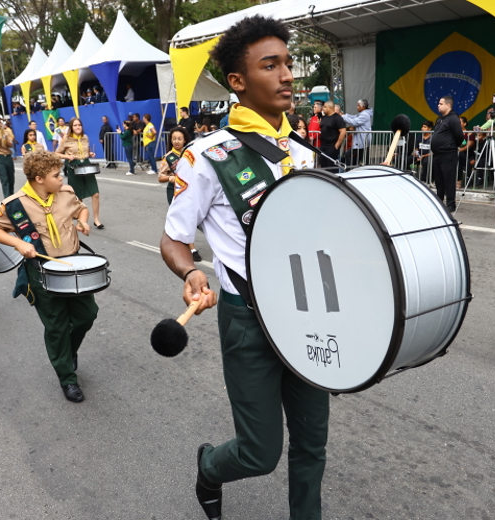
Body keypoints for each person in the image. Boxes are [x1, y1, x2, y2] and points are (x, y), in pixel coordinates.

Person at [160, 15, 328, 520]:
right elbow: (173, 239)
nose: (287, 76)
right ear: (237, 81)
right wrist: (192, 273)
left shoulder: (304, 153)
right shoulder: (207, 156)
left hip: (308, 312)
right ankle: (210, 466)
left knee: (312, 444)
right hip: (248, 317)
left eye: (288, 63)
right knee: (260, 452)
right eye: (270, 65)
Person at [0, 150, 96, 403]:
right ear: (39, 178)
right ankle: (67, 378)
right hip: (42, 272)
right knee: (56, 326)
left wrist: (83, 222)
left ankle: (69, 352)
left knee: (87, 315)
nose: (62, 179)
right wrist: (17, 243)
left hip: (73, 266)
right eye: (57, 175)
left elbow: (81, 209)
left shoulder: (65, 194)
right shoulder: (15, 204)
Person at [157, 127, 202, 262]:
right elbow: (160, 177)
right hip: (175, 191)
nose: (176, 141)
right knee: (183, 217)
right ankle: (191, 249)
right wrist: (170, 178)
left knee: (189, 217)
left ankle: (178, 243)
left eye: (179, 139)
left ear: (184, 140)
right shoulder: (168, 157)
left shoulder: (189, 153)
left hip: (190, 189)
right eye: (174, 139)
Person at [55, 118, 103, 229]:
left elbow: (87, 150)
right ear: (71, 127)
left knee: (95, 193)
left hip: (86, 165)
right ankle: (81, 221)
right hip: (74, 166)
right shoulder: (66, 139)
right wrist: (67, 156)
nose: (78, 127)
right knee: (78, 197)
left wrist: (90, 153)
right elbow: (57, 153)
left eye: (79, 125)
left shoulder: (85, 137)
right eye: (75, 125)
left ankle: (96, 219)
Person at [430, 96, 465, 212]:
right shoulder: (440, 119)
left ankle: (451, 204)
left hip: (448, 154)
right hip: (437, 154)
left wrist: (451, 146)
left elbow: (459, 136)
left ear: (448, 105)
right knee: (439, 180)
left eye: (440, 103)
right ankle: (439, 201)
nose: (438, 105)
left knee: (449, 179)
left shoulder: (453, 119)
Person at [341, 99, 373, 167]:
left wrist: (343, 116)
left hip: (362, 140)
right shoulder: (362, 114)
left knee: (348, 154)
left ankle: (349, 170)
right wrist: (345, 115)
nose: (356, 107)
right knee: (364, 157)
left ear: (363, 106)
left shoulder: (365, 115)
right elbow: (353, 117)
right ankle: (365, 169)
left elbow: (354, 122)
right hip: (362, 140)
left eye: (358, 105)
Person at [318, 100, 345, 168]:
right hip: (323, 145)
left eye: (324, 107)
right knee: (323, 165)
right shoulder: (324, 118)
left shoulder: (337, 118)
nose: (322, 108)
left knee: (331, 166)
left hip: (332, 146)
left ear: (330, 108)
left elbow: (343, 131)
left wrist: (337, 145)